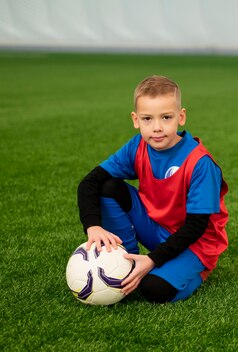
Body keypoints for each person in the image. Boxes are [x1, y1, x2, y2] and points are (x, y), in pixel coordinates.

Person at [77, 75, 228, 303]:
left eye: (166, 117)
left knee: (153, 289)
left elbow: (197, 226)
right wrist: (93, 225)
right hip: (157, 227)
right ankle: (126, 259)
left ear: (181, 116)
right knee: (108, 186)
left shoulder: (200, 163)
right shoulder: (137, 146)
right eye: (148, 119)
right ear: (136, 120)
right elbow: (90, 182)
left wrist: (153, 260)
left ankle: (198, 271)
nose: (157, 128)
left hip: (196, 243)